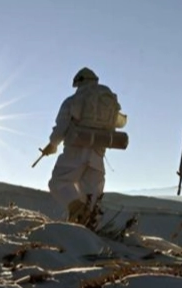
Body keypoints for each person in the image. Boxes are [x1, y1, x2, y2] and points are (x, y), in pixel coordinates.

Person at [40, 67, 126, 227]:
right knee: (92, 195)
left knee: (58, 182)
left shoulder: (73, 101)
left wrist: (52, 144)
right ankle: (87, 226)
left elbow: (61, 126)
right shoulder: (108, 101)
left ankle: (76, 210)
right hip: (98, 154)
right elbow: (116, 124)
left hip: (75, 150)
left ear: (78, 81)